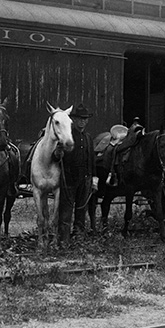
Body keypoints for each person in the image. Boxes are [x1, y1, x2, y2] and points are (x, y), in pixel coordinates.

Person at [58, 103, 98, 243]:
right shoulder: (67, 137)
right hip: (69, 179)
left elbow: (92, 160)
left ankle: (78, 237)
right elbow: (58, 158)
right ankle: (64, 240)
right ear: (74, 120)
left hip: (85, 179)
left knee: (81, 209)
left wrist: (94, 179)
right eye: (79, 118)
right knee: (66, 211)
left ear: (87, 120)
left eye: (85, 119)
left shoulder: (88, 138)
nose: (82, 121)